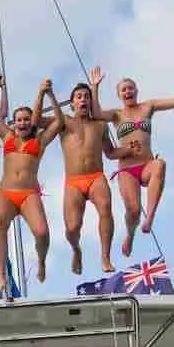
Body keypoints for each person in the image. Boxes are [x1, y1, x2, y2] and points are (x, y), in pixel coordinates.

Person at [89, 65, 174, 256]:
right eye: (124, 89)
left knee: (159, 165)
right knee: (133, 211)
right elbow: (96, 114)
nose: (128, 91)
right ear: (119, 95)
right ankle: (130, 235)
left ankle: (150, 219)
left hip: (146, 165)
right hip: (127, 169)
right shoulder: (117, 114)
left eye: (130, 88)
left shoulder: (148, 106)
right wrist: (95, 87)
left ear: (136, 91)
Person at [0, 73, 63, 297]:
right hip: (6, 192)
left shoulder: (39, 141)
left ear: (32, 122)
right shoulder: (7, 137)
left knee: (42, 232)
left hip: (28, 193)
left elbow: (59, 122)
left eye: (26, 119)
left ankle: (41, 261)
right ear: (14, 123)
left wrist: (49, 95)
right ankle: (1, 273)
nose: (22, 123)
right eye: (18, 119)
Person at [56, 77, 130, 274]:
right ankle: (76, 249)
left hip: (96, 176)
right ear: (72, 103)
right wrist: (44, 94)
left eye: (87, 97)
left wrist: (128, 150)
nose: (83, 100)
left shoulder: (100, 125)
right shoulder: (64, 122)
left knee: (106, 207)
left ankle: (105, 258)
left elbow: (111, 152)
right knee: (72, 228)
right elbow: (37, 121)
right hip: (73, 182)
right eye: (79, 97)